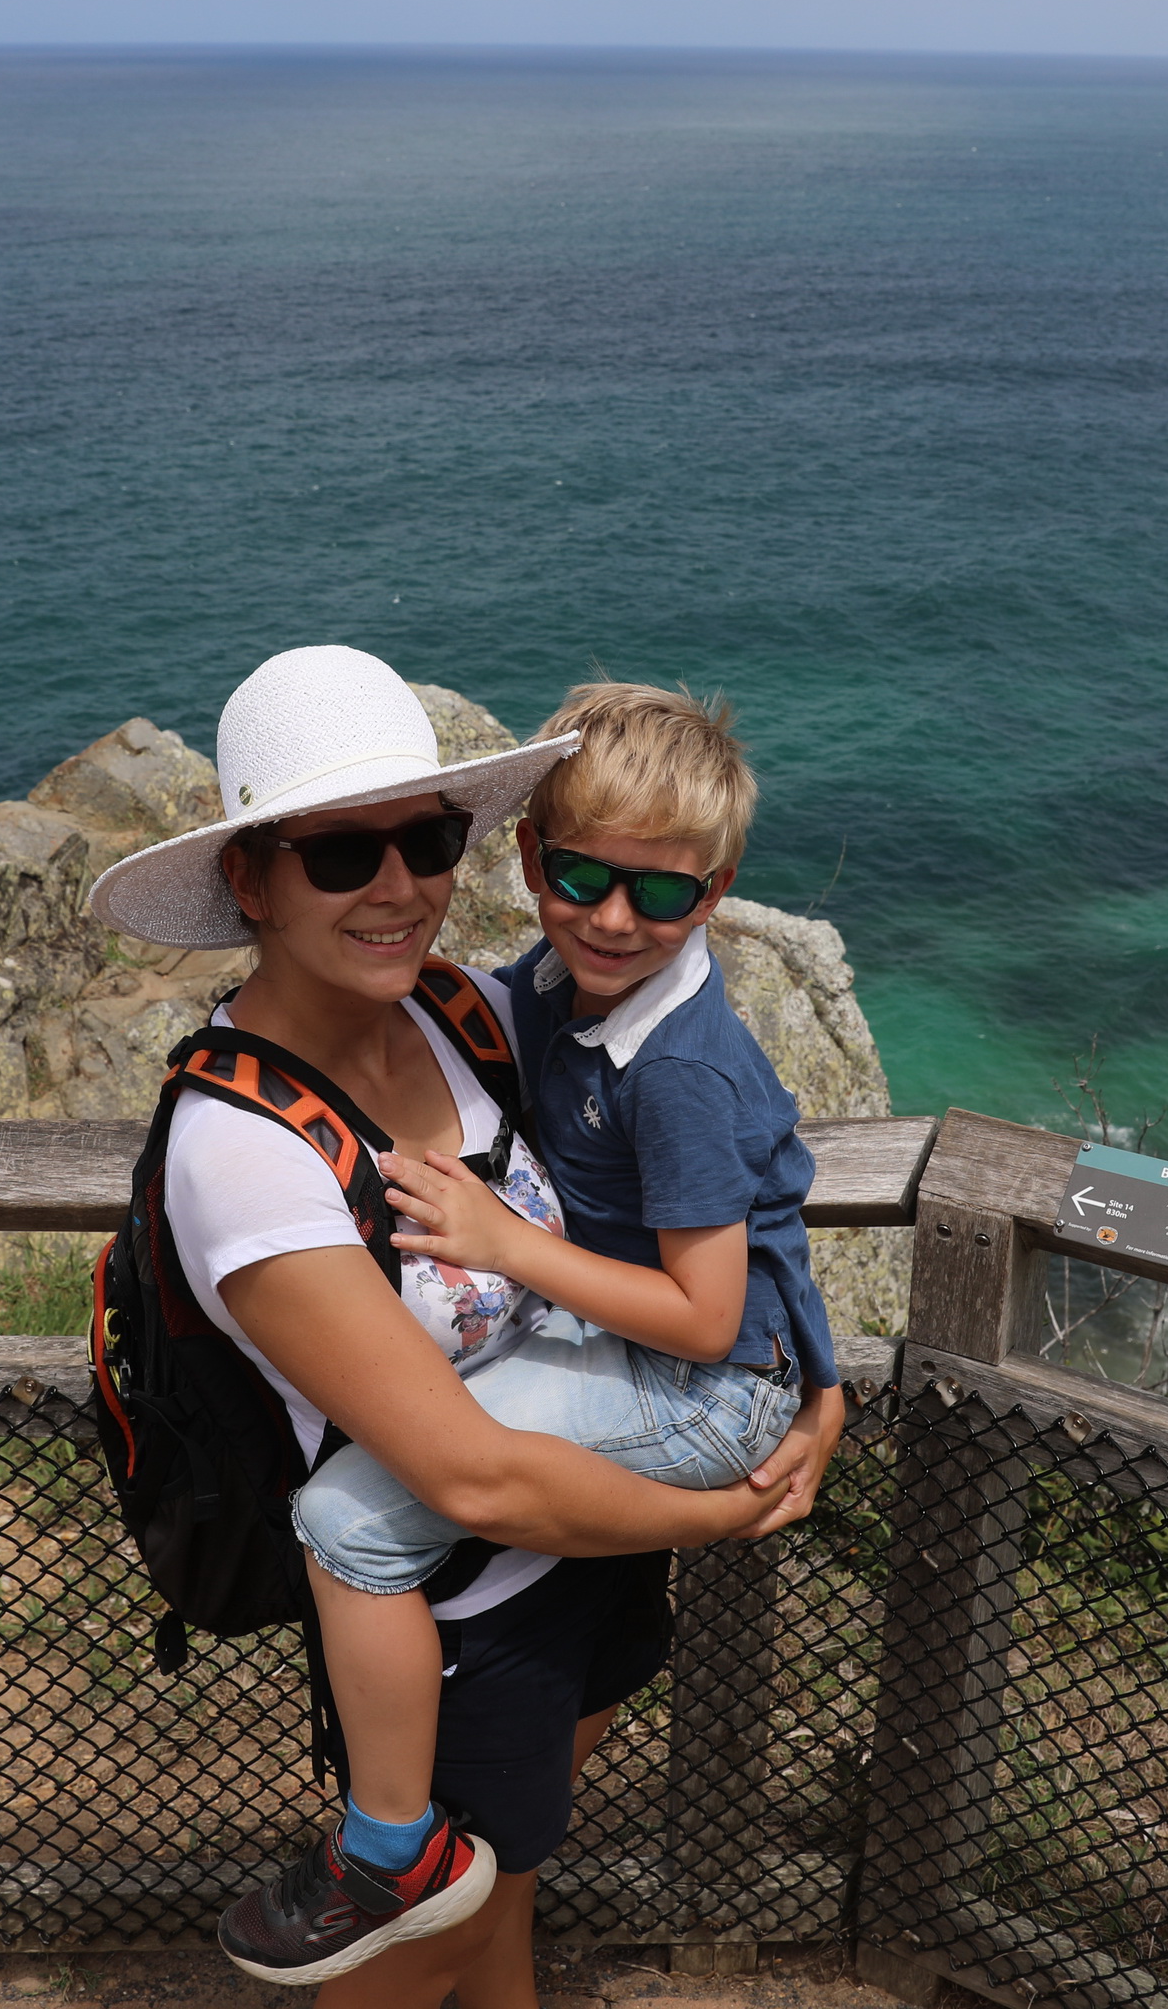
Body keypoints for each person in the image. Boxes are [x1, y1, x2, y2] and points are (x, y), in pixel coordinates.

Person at [83, 646, 838, 2009]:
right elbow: (466, 1477)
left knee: (508, 1909)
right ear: (249, 880)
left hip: (591, 1549)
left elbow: (723, 1182)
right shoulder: (244, 1156)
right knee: (428, 1947)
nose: (397, 886)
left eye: (426, 839)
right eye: (338, 855)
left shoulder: (465, 1011)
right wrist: (732, 1515)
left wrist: (811, 1380)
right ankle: (388, 1857)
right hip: (462, 1618)